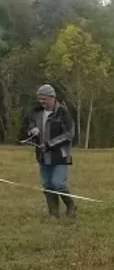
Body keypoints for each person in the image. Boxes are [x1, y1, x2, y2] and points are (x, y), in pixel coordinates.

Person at [20, 84, 77, 219]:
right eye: (39, 99)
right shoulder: (35, 111)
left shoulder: (63, 112)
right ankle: (53, 213)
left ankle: (71, 206)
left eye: (44, 99)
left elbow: (69, 134)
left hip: (60, 154)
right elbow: (25, 127)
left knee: (58, 183)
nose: (41, 102)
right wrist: (31, 130)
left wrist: (50, 144)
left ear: (53, 98)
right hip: (42, 155)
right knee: (47, 184)